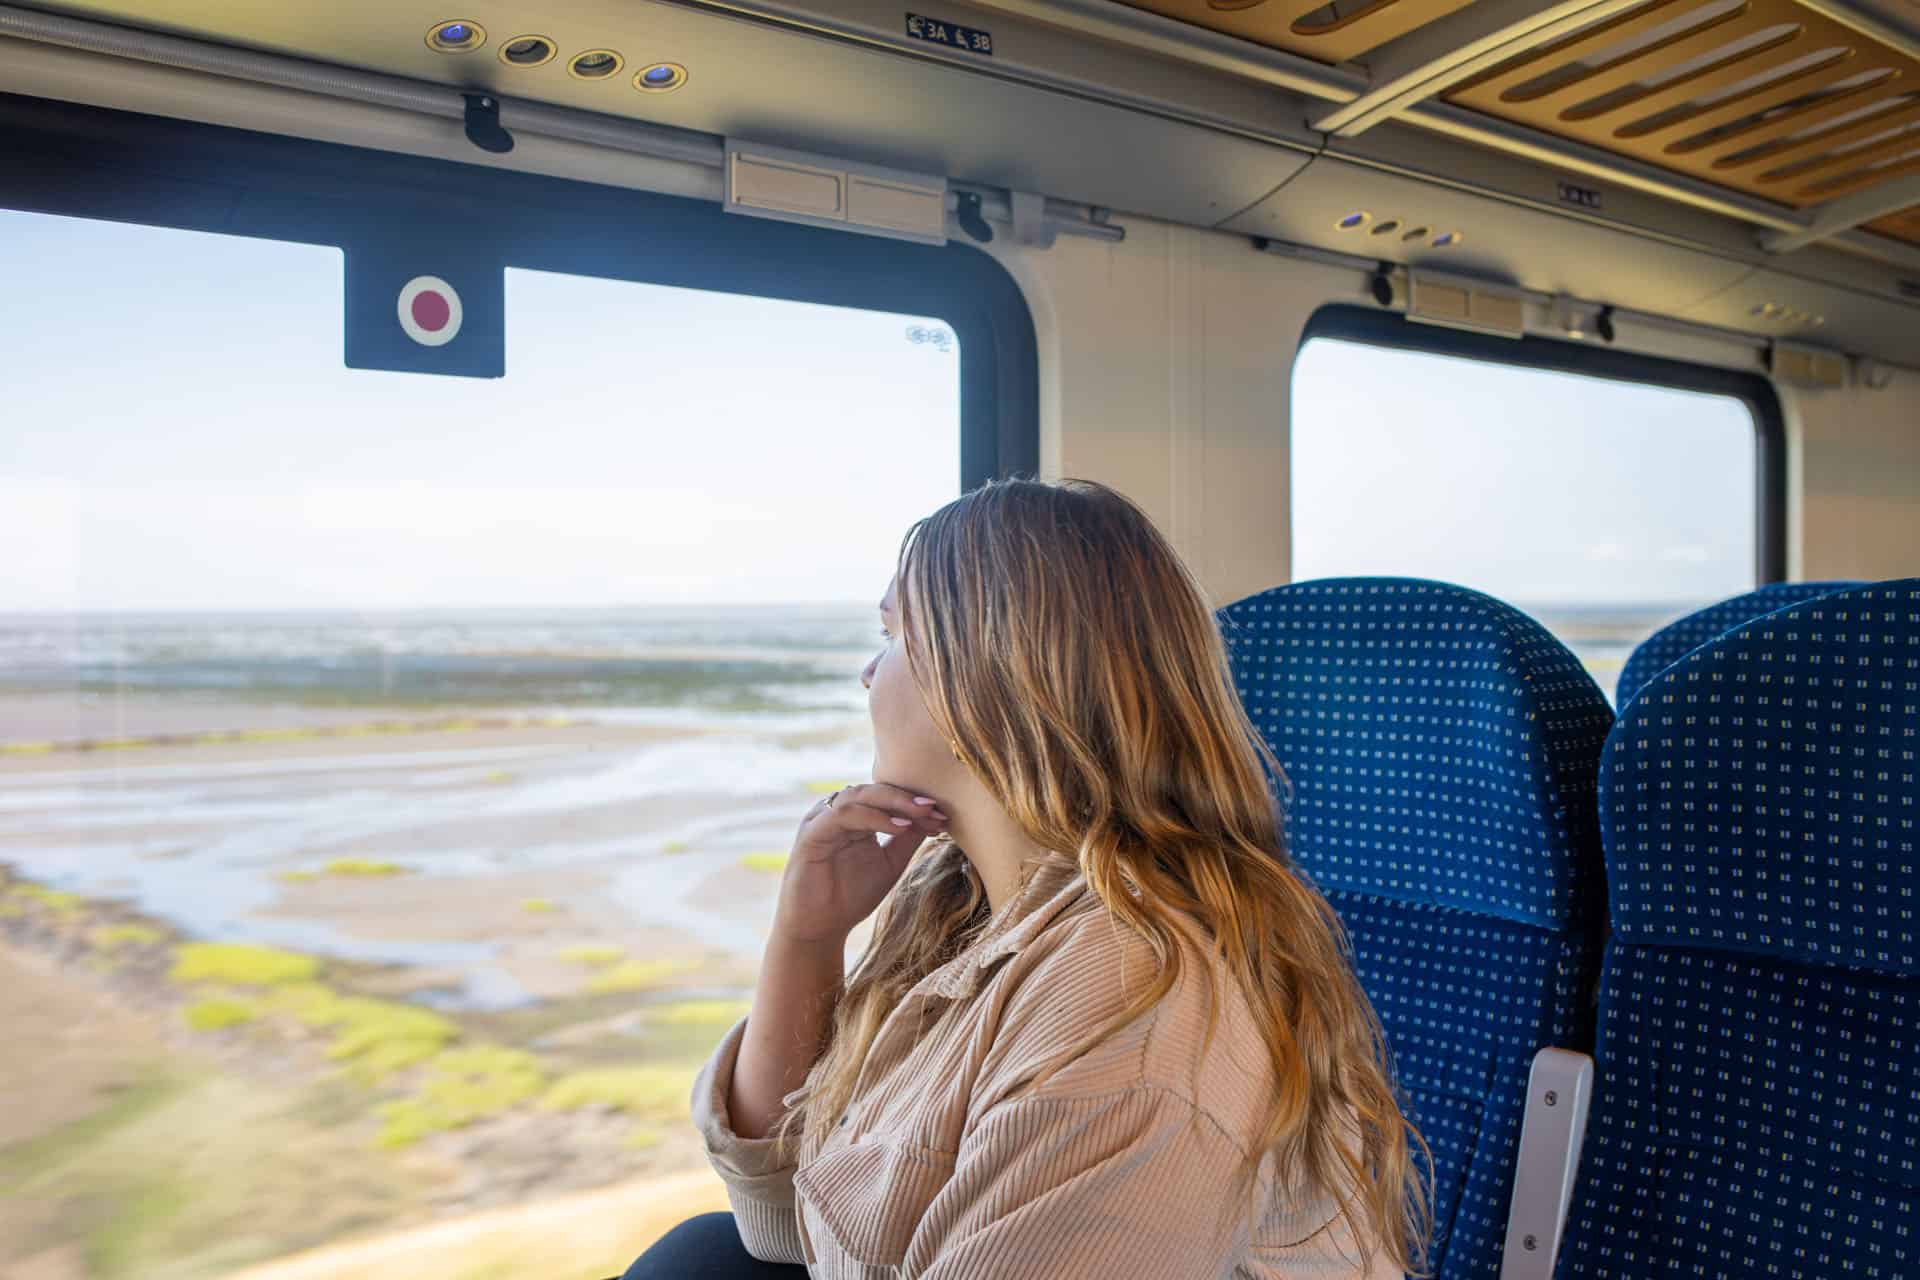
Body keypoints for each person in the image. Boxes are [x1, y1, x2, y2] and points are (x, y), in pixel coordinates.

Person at [622, 478, 1431, 1279]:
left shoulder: (1132, 1000)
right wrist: (807, 937)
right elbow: (776, 1227)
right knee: (700, 1254)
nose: (869, 674)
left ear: (989, 669)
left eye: (895, 632)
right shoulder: (965, 904)